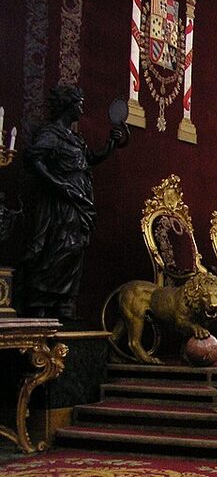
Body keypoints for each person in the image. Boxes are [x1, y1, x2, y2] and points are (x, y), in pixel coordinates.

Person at [20, 84, 124, 320]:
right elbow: (34, 159)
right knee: (57, 248)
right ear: (68, 106)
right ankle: (41, 302)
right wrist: (59, 185)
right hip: (59, 203)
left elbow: (89, 159)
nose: (81, 108)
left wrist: (110, 145)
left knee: (75, 249)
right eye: (78, 103)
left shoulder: (75, 138)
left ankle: (63, 302)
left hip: (79, 201)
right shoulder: (51, 134)